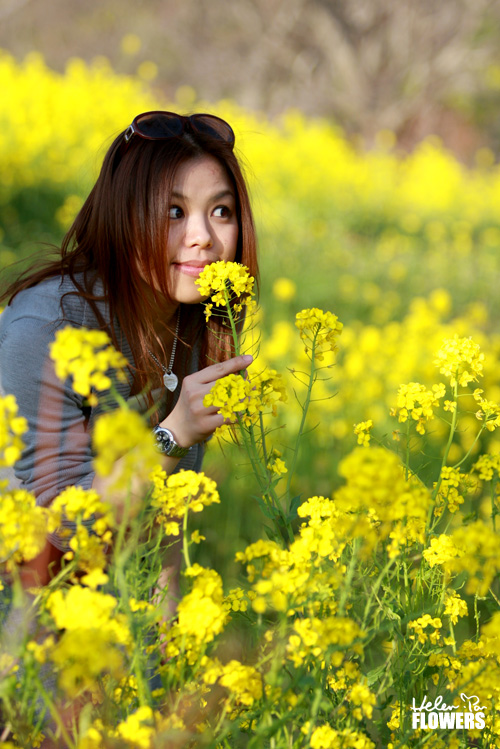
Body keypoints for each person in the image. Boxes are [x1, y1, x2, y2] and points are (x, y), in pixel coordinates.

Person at [0, 110, 258, 594]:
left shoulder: (192, 319)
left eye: (221, 211)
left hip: (110, 603)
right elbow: (64, 522)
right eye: (174, 212)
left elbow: (164, 514)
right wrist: (172, 435)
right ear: (123, 216)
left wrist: (168, 649)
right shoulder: (46, 329)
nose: (203, 236)